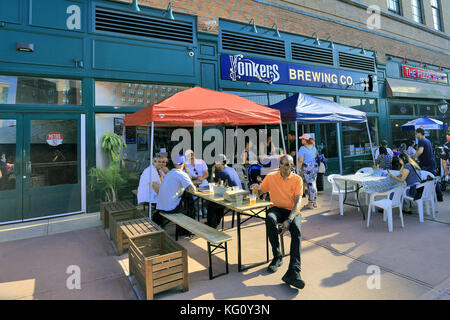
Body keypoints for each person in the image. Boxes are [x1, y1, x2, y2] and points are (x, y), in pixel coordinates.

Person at [251, 155, 305, 290]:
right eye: (283, 164)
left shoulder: (297, 179)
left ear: (292, 166)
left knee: (296, 230)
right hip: (276, 209)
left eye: (288, 164)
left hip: (292, 210)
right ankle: (277, 256)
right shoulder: (271, 177)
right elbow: (260, 193)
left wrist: (289, 220)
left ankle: (294, 271)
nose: (285, 167)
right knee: (269, 218)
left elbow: (298, 202)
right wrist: (256, 190)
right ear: (279, 164)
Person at [156, 155, 196, 233]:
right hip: (170, 208)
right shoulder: (182, 174)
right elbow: (193, 190)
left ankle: (184, 229)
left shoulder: (169, 173)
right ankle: (186, 230)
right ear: (184, 164)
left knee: (185, 198)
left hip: (161, 207)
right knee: (190, 201)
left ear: (174, 164)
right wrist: (187, 172)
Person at [206, 154, 242, 229]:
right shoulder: (231, 169)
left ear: (219, 163)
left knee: (211, 203)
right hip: (239, 195)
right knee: (219, 201)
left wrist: (212, 171)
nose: (215, 164)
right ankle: (216, 222)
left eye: (216, 162)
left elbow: (213, 183)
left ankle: (211, 225)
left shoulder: (221, 172)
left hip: (234, 198)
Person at [413, 128, 443, 201]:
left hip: (425, 163)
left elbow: (420, 151)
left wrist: (412, 158)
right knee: (434, 179)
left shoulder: (421, 140)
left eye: (416, 133)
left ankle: (420, 196)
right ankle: (439, 196)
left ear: (419, 133)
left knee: (420, 179)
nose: (416, 135)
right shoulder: (428, 140)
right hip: (431, 162)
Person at [185, 149, 209, 218]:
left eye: (192, 154)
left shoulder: (201, 162)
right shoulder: (185, 164)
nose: (191, 156)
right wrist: (196, 178)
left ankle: (204, 208)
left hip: (204, 184)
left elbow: (206, 173)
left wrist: (202, 178)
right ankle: (198, 210)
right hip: (194, 185)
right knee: (195, 197)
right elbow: (186, 176)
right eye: (189, 155)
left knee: (207, 197)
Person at [297, 134, 319, 209]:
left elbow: (300, 161)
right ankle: (314, 202)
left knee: (310, 185)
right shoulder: (314, 147)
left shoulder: (302, 148)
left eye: (302, 139)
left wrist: (298, 170)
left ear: (305, 140)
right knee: (313, 183)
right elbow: (316, 156)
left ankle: (310, 203)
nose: (301, 140)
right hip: (315, 167)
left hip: (307, 168)